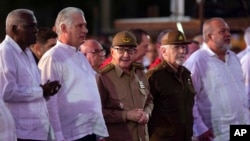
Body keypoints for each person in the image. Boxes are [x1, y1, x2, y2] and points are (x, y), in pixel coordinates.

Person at [38, 7, 108, 141]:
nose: (85, 30)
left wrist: (99, 131)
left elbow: (89, 94)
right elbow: (49, 103)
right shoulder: (53, 58)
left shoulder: (80, 56)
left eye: (85, 26)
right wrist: (57, 136)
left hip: (89, 132)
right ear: (63, 28)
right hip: (69, 136)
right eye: (80, 26)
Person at [184, 17, 250, 141]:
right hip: (216, 132)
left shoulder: (234, 58)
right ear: (209, 36)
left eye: (228, 31)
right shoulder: (198, 60)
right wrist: (199, 128)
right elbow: (187, 98)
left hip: (241, 128)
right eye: (222, 31)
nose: (228, 34)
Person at [0, 9, 61, 141]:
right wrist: (41, 91)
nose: (36, 30)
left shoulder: (27, 52)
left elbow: (32, 87)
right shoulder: (5, 52)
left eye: (36, 26)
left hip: (38, 130)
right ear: (15, 29)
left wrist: (46, 91)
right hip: (19, 133)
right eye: (30, 26)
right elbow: (7, 91)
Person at [96, 31, 154, 141]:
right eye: (121, 50)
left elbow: (149, 99)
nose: (126, 55)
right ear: (112, 52)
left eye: (130, 50)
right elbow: (97, 112)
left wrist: (147, 113)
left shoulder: (140, 72)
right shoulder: (103, 77)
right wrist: (126, 115)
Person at [146, 30, 195, 141]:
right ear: (163, 51)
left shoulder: (186, 74)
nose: (182, 51)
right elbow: (143, 112)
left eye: (183, 47)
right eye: (176, 48)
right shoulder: (154, 77)